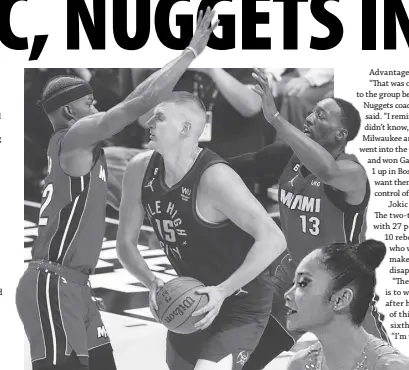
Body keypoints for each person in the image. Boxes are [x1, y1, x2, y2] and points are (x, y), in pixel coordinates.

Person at [16, 8, 217, 370]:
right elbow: (138, 104)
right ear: (69, 112)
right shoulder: (72, 138)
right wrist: (190, 52)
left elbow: (133, 103)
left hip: (76, 286)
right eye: (90, 103)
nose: (100, 108)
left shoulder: (86, 153)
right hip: (51, 285)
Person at [226, 68, 389, 369]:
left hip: (344, 289)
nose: (310, 118)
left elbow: (327, 172)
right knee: (245, 358)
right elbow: (233, 167)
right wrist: (189, 162)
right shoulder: (285, 156)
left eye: (322, 116)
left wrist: (275, 118)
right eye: (312, 112)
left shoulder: (352, 174)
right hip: (294, 277)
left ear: (340, 135)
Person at [116, 93, 287, 369]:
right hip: (191, 300)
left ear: (184, 128)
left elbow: (273, 238)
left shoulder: (215, 177)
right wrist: (152, 282)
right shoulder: (139, 170)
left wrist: (222, 291)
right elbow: (125, 243)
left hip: (239, 302)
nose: (148, 122)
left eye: (159, 117)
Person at [285, 240, 409, 370]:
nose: (288, 294)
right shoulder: (299, 364)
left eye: (303, 284)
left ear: (341, 299)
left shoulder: (391, 367)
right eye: (293, 284)